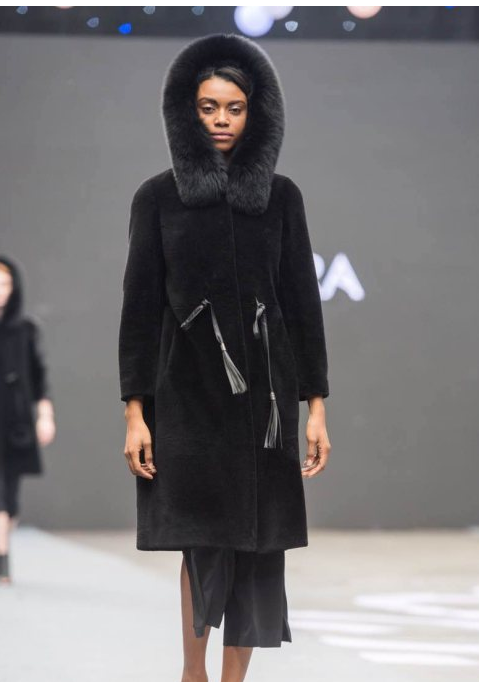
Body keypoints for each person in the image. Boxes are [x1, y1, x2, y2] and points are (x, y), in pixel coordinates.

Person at [118, 33, 331, 682]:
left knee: (260, 549)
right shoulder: (158, 198)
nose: (220, 120)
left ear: (255, 114)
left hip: (266, 404)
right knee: (202, 543)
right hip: (188, 400)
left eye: (234, 108)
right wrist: (135, 414)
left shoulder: (282, 198)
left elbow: (302, 305)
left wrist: (316, 408)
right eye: (208, 107)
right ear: (186, 113)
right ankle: (194, 674)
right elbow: (139, 310)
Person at [0, 255, 56, 584]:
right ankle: (2, 558)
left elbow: (38, 376)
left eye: (5, 284)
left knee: (11, 493)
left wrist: (45, 415)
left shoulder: (25, 329)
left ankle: (4, 546)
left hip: (15, 421)